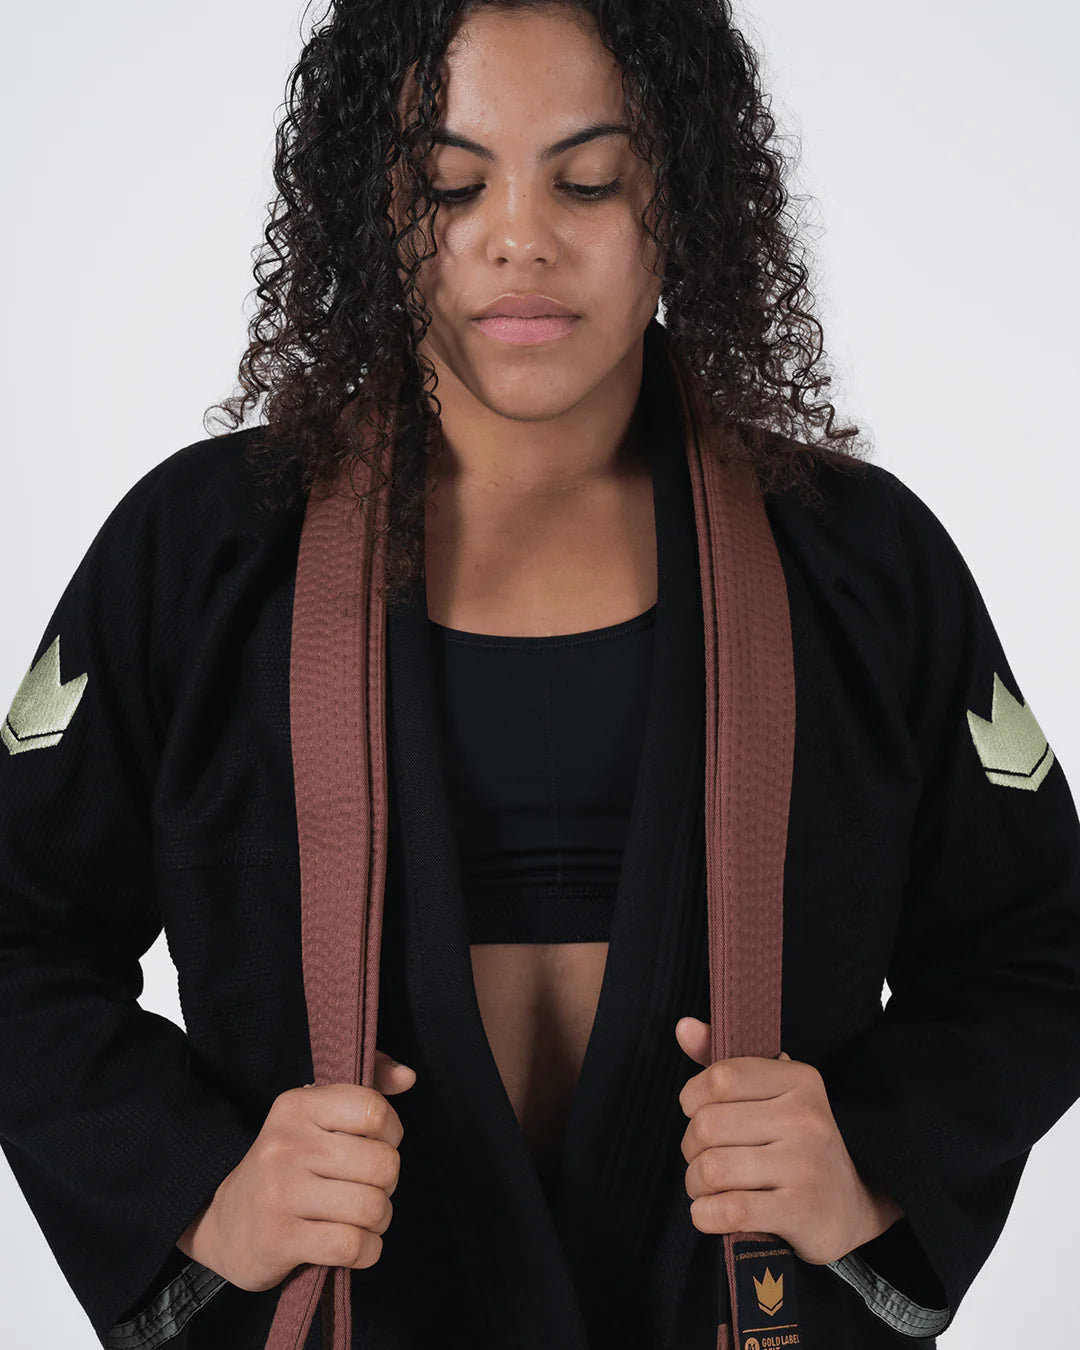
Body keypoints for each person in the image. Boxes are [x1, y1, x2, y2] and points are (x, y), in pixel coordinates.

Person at [3, 2, 1079, 1349]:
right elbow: (21, 930)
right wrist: (197, 1192)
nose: (520, 236)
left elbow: (1040, 940)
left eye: (590, 180)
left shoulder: (860, 562)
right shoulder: (199, 554)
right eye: (453, 185)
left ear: (684, 196)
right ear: (376, 206)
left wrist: (871, 1167)